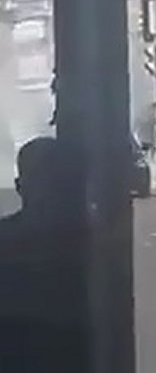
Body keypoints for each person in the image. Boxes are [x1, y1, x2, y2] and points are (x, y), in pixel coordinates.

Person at [0, 137, 88, 371]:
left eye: (55, 181)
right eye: (44, 180)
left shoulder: (89, 242)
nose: (49, 190)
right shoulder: (91, 243)